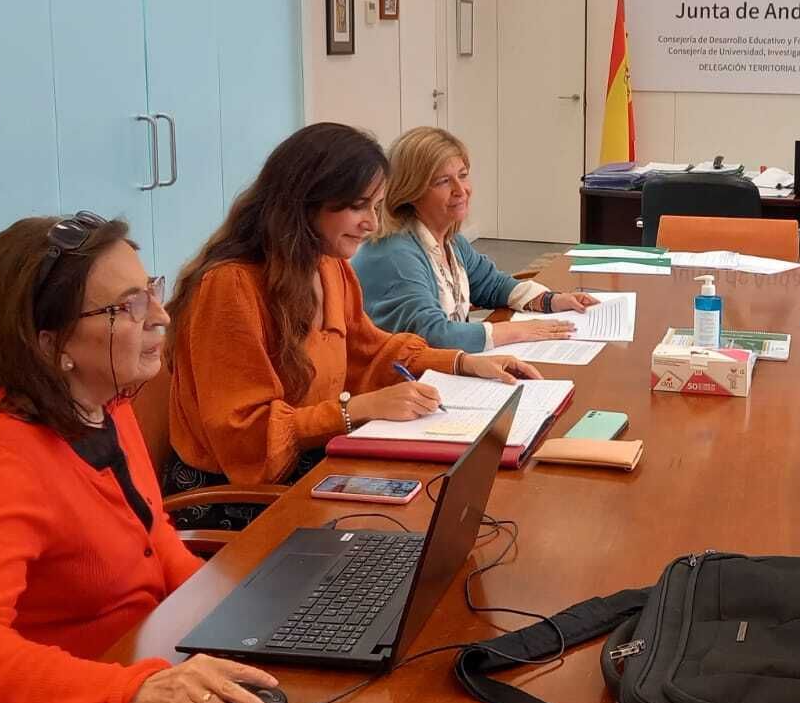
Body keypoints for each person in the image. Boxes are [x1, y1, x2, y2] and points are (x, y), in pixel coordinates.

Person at [0, 213, 282, 703]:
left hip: (121, 675)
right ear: (51, 343)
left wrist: (239, 614)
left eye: (151, 290)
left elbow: (155, 535)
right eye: (128, 306)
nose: (161, 316)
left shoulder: (105, 400)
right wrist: (138, 690)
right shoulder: (1, 460)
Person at [164, 124, 539, 520]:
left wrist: (462, 363)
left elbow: (370, 351)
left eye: (376, 207)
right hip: (239, 490)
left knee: (451, 503)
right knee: (414, 520)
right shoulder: (231, 286)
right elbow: (244, 436)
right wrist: (354, 410)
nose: (372, 224)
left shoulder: (328, 265)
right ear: (304, 203)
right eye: (358, 207)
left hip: (305, 460)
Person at [354, 127, 598, 352]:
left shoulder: (450, 240)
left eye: (462, 176)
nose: (461, 190)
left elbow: (491, 284)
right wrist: (519, 330)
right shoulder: (395, 253)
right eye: (443, 181)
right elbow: (434, 335)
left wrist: (551, 300)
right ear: (410, 190)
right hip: (396, 380)